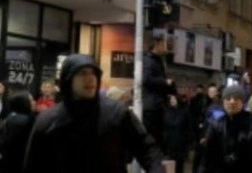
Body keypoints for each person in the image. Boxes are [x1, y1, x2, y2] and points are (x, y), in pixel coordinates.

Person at [23, 54, 164, 172]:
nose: (90, 78)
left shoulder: (116, 113)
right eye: (83, 73)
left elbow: (147, 148)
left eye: (93, 73)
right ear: (69, 79)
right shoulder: (48, 121)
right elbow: (33, 165)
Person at [199, 84, 252, 173]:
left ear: (242, 102)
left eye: (236, 98)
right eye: (228, 98)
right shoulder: (216, 124)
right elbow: (207, 157)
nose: (232, 102)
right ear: (223, 101)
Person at [143, 34, 175, 146]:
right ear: (156, 44)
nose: (165, 47)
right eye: (162, 44)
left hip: (158, 104)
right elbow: (146, 79)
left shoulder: (157, 60)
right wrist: (164, 81)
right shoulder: (148, 60)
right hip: (151, 107)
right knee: (153, 138)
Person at [0, 90, 36, 172]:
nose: (34, 102)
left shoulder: (12, 116)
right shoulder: (25, 120)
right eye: (31, 100)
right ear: (23, 103)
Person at [164, 94, 191, 173]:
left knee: (179, 165)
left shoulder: (184, 111)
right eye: (171, 100)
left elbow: (188, 127)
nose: (172, 101)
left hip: (180, 142)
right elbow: (164, 126)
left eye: (174, 99)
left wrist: (187, 141)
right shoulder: (167, 111)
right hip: (170, 142)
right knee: (170, 165)